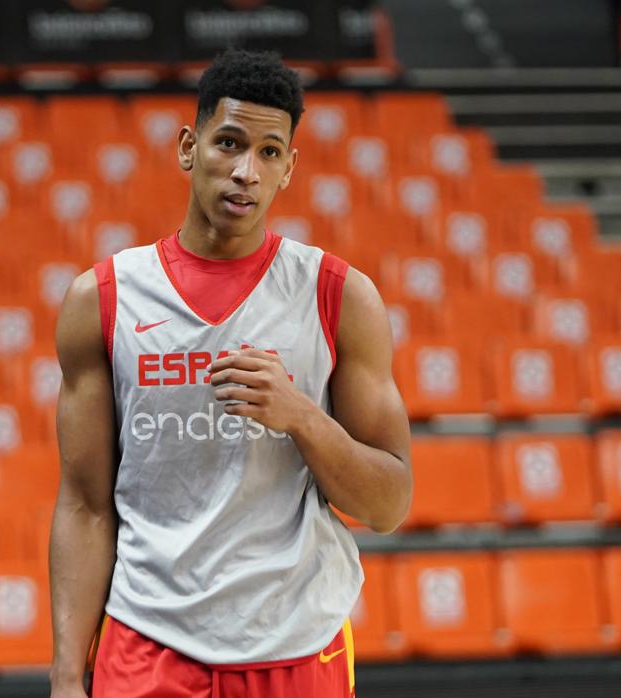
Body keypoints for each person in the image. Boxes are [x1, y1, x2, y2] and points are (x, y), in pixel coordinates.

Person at [49, 49, 412, 698]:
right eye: (229, 143)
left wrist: (302, 415)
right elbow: (83, 505)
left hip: (298, 646)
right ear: (189, 147)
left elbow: (388, 504)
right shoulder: (102, 300)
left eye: (270, 153)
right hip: (147, 643)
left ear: (289, 169)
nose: (246, 171)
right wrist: (64, 677)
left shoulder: (337, 297)